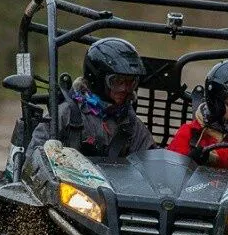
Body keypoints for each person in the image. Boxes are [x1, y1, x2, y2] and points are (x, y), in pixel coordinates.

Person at [26, 37, 156, 160]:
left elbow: (151, 164)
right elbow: (35, 156)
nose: (124, 89)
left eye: (130, 82)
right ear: (97, 79)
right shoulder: (67, 114)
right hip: (69, 182)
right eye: (116, 81)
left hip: (118, 183)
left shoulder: (131, 124)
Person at [168, 59, 228, 168]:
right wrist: (188, 159)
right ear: (216, 104)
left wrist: (209, 158)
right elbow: (171, 164)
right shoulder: (189, 132)